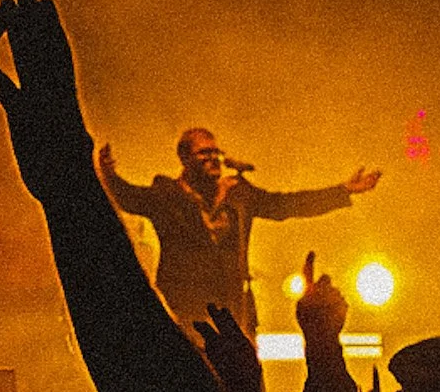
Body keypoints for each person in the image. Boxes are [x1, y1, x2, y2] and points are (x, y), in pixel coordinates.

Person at [97, 126, 380, 334]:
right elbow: (127, 197)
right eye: (202, 153)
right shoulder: (167, 197)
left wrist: (343, 191)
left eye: (215, 152)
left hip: (234, 309)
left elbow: (285, 205)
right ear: (185, 159)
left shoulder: (238, 195)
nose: (212, 158)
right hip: (186, 309)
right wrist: (107, 175)